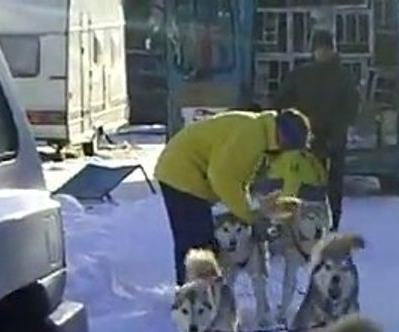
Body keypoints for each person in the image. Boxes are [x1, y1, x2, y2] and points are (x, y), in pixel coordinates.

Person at [154, 108, 311, 284]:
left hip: (188, 174)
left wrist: (250, 212)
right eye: (288, 146)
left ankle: (200, 294)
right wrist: (249, 217)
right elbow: (222, 178)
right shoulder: (252, 136)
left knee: (204, 243)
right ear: (283, 135)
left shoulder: (259, 132)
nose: (284, 151)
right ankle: (191, 296)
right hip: (180, 173)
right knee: (197, 244)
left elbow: (239, 181)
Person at [274, 29, 359, 230]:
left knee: (333, 186)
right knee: (303, 182)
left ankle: (332, 223)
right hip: (305, 138)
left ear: (332, 49)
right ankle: (301, 223)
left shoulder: (343, 76)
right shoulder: (301, 75)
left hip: (334, 139)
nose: (322, 53)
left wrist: (337, 130)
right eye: (319, 49)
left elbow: (351, 107)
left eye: (326, 48)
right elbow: (281, 100)